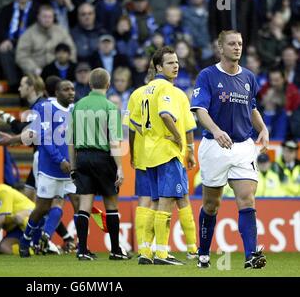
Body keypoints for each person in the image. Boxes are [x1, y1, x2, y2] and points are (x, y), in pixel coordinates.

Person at [190, 30, 269, 269]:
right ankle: (203, 253)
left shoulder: (248, 77)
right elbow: (199, 110)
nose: (237, 47)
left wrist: (263, 128)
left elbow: (251, 107)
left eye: (240, 44)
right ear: (220, 47)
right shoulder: (207, 75)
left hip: (243, 146)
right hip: (215, 147)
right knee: (211, 205)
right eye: (232, 44)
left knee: (247, 200)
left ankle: (250, 256)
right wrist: (215, 130)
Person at [128, 46, 198, 265]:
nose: (175, 66)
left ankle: (146, 252)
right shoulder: (168, 89)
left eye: (177, 62)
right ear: (158, 67)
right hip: (167, 153)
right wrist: (178, 139)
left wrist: (150, 136)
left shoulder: (145, 91)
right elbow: (166, 115)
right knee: (168, 202)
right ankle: (163, 253)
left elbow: (135, 124)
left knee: (156, 201)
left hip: (149, 153)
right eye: (170, 63)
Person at [69, 67, 128, 260]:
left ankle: (82, 250)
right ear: (108, 85)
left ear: (89, 84)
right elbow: (114, 142)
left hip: (83, 158)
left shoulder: (78, 106)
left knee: (84, 204)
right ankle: (115, 250)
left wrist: (73, 166)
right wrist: (119, 167)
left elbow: (70, 141)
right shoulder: (110, 107)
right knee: (111, 203)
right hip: (103, 159)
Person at [19, 80, 78, 257]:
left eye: (73, 89)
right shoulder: (44, 107)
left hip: (70, 170)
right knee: (42, 208)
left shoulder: (75, 110)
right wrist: (59, 159)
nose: (71, 92)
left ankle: (82, 247)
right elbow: (43, 137)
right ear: (56, 92)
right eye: (66, 89)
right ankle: (25, 240)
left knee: (80, 205)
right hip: (49, 169)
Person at [0, 181, 35, 255]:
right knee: (3, 248)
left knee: (18, 217)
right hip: (15, 228)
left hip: (31, 219)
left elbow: (0, 219)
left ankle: (40, 242)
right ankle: (35, 250)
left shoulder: (2, 191)